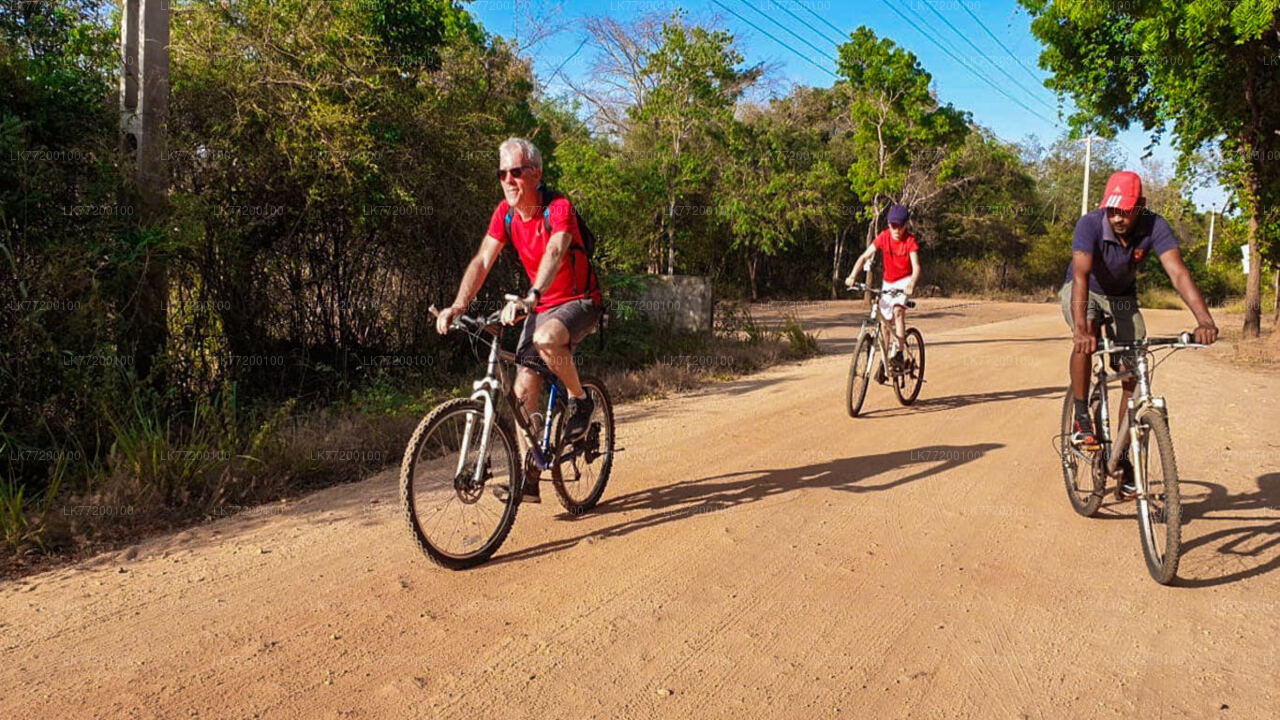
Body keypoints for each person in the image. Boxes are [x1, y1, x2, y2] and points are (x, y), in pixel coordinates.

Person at [436, 137, 603, 503]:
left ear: (536, 173)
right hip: (540, 306)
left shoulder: (558, 207)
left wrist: (532, 296)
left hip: (579, 301)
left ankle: (581, 400)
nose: (508, 180)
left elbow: (556, 249)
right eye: (502, 174)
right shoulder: (505, 214)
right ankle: (530, 475)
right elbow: (483, 260)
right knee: (521, 391)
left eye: (516, 172)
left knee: (545, 339)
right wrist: (458, 306)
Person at [1061, 170, 1218, 495]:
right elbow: (1080, 277)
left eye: (1125, 211)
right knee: (1086, 339)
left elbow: (1178, 273)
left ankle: (1121, 457)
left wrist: (1204, 320)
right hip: (1085, 290)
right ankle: (1081, 417)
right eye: (1112, 210)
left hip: (1122, 298)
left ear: (1140, 206)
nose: (1118, 218)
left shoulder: (1155, 225)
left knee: (1133, 372)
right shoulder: (1089, 224)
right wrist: (1082, 329)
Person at [844, 204, 921, 373]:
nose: (896, 229)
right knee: (884, 324)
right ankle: (884, 362)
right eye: (893, 225)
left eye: (900, 226)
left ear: (905, 225)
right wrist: (853, 276)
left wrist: (911, 284)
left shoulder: (910, 241)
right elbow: (864, 256)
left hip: (904, 281)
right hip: (888, 281)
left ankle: (899, 353)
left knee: (898, 312)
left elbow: (916, 267)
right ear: (888, 224)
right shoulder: (884, 237)